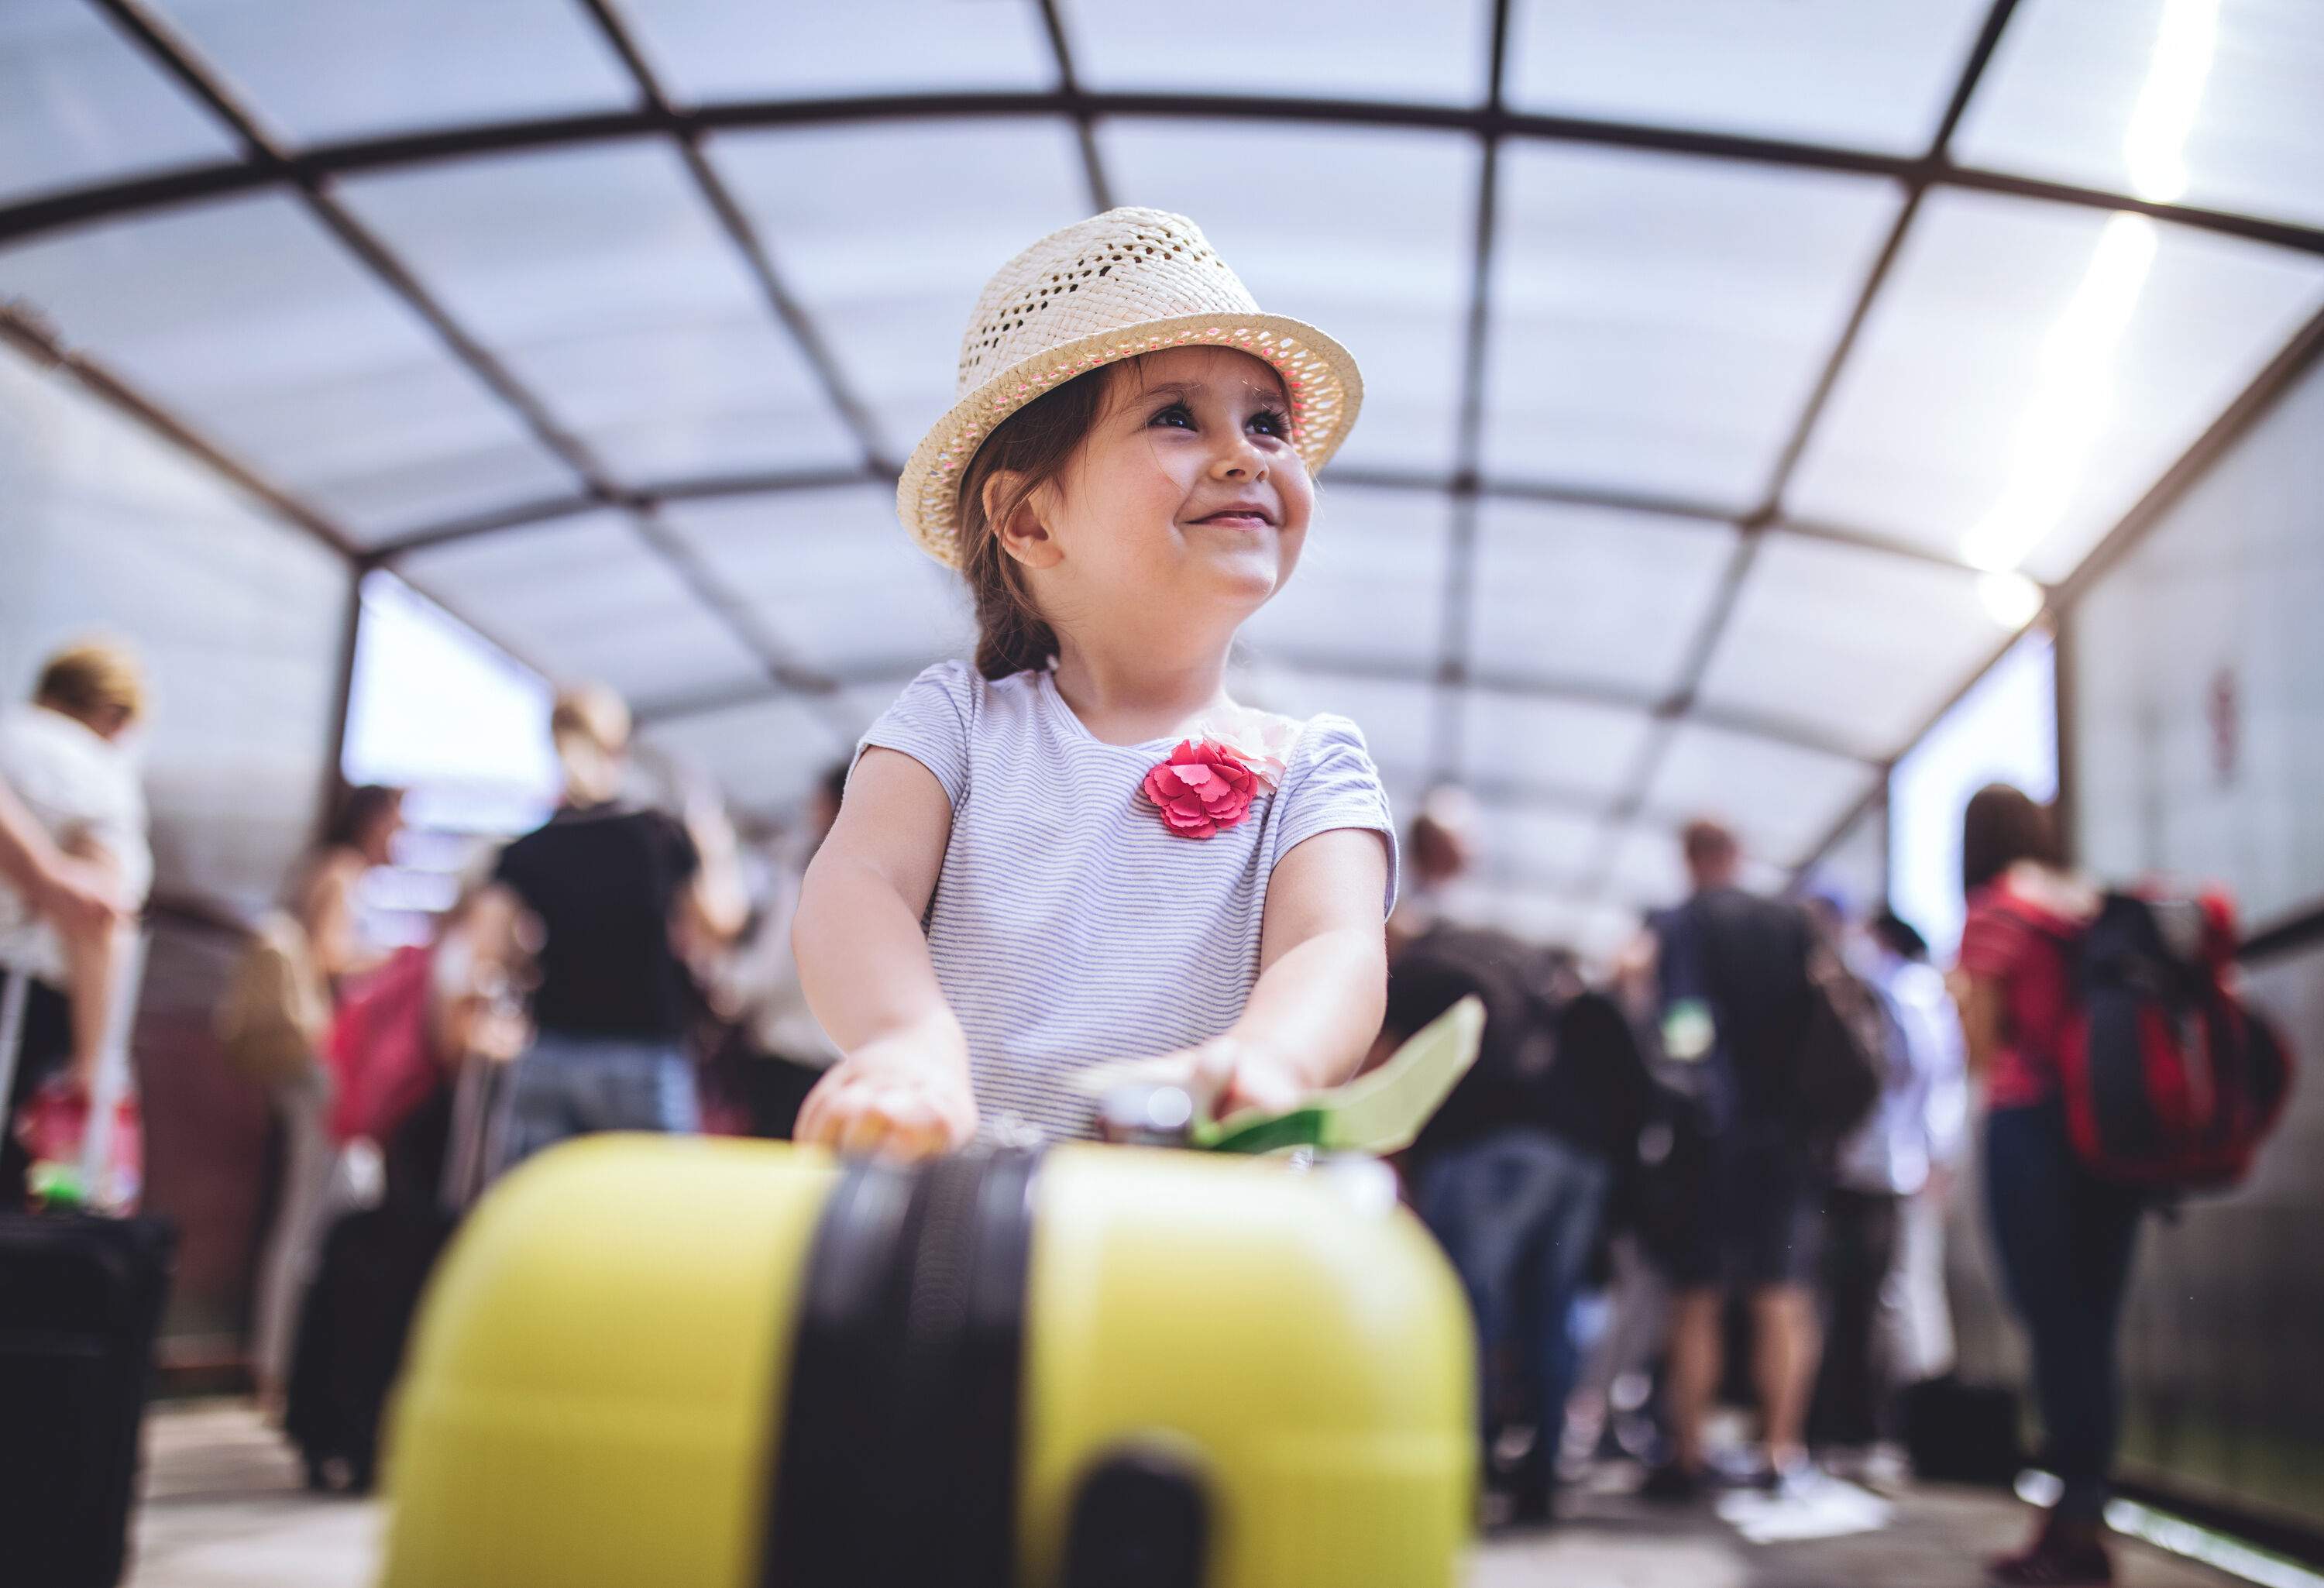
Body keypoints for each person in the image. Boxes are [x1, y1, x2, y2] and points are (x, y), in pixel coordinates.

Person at [790, 207, 1391, 1157]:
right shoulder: (954, 721)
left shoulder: (1313, 767)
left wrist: (1268, 1059)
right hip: (963, 1213)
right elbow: (857, 882)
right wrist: (906, 1043)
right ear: (1027, 521)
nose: (1246, 452)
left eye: (1268, 422)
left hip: (1184, 1235)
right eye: (1176, 418)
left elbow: (1336, 950)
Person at [1387, 902, 1649, 1524]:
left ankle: (1463, 1475)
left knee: (1467, 1311)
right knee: (1548, 1314)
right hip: (1576, 1155)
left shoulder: (1418, 969)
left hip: (1493, 1147)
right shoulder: (1512, 948)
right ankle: (1542, 1479)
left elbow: (1387, 1067)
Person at [1954, 784, 2130, 1587]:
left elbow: (1982, 1049)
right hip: (2113, 1133)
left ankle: (2068, 1533)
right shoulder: (2085, 898)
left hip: (2032, 1128)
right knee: (2093, 1332)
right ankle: (2083, 1517)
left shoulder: (1997, 908)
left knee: (2054, 1329)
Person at [483, 684, 745, 1177]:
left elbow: (492, 949)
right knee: (656, 1221)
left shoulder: (529, 848)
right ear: (619, 748)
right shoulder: (658, 834)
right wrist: (714, 842)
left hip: (553, 1047)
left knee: (545, 1217)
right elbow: (720, 922)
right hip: (643, 1051)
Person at [1636, 819, 1823, 1500]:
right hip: (1785, 1135)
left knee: (1698, 1295)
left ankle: (1689, 1454)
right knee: (1782, 1293)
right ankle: (1781, 1451)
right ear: (1737, 852)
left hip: (1708, 1136)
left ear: (1689, 857)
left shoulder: (1684, 921)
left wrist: (1693, 1094)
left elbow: (1684, 1022)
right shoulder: (1790, 922)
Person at [249, 783, 406, 1416]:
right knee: (315, 1214)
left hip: (320, 1063)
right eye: (398, 821)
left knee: (318, 1208)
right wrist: (398, 961)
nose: (402, 835)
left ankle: (285, 1368)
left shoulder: (330, 871)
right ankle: (281, 1370)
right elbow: (330, 955)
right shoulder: (342, 874)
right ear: (372, 821)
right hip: (324, 1061)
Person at [1806, 896, 1965, 1484]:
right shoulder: (1903, 992)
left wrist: (1933, 1153)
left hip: (1877, 1165)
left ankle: (1869, 1429)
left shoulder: (1900, 990)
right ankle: (1855, 1430)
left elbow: (1931, 1074)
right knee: (1870, 1299)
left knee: (1871, 1300)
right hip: (1880, 1165)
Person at [0, 641, 153, 1205]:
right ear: (114, 716)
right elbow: (96, 917)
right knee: (44, 1202)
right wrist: (95, 1065)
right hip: (30, 1015)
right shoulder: (89, 768)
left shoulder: (10, 736)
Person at [711, 763, 847, 1139]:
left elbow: (765, 972)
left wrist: (725, 985)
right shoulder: (879, 880)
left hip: (788, 1062)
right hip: (844, 1061)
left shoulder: (805, 875)